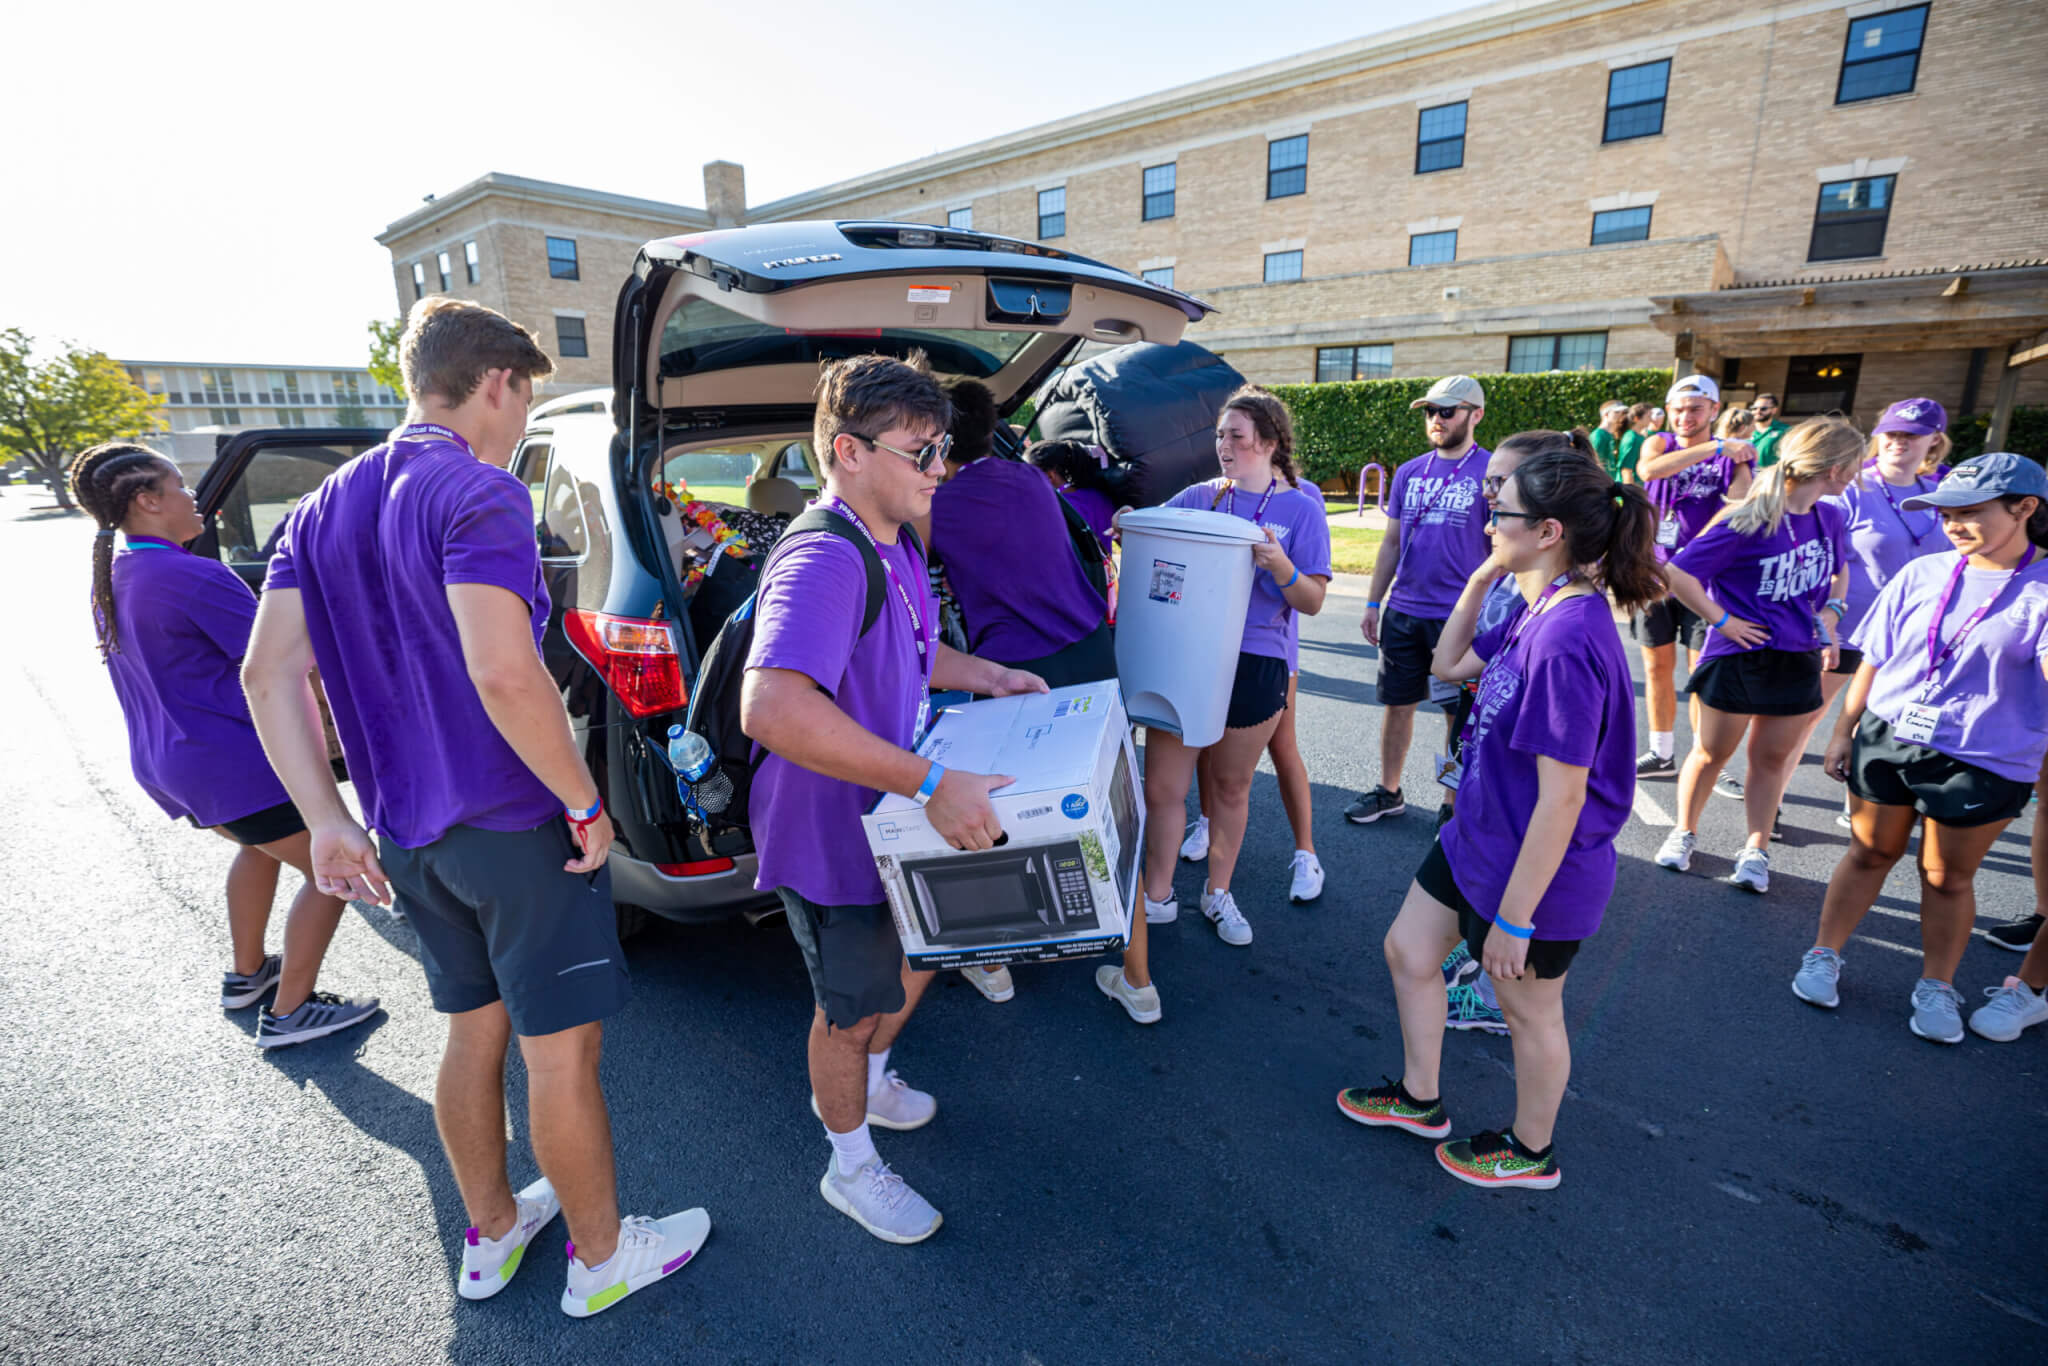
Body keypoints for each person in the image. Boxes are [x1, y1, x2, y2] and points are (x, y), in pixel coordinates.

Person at [241, 297, 707, 1316]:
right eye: (523, 397)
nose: (519, 421)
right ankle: (601, 1257)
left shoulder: (318, 510)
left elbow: (265, 673)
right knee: (562, 1049)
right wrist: (584, 801)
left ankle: (493, 1231)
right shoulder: (478, 493)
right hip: (510, 826)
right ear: (497, 381)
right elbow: (502, 671)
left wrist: (325, 818)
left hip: (408, 836)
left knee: (470, 1030)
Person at [741, 352, 1049, 1245]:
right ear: (849, 451)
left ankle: (875, 1083)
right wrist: (929, 782)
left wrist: (987, 675)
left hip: (891, 819)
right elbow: (770, 706)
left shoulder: (898, 540)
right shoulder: (825, 555)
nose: (940, 468)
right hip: (832, 833)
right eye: (921, 451)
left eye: (941, 447)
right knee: (847, 1013)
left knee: (915, 958)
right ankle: (850, 1165)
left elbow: (912, 651)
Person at [1337, 450, 1663, 1189]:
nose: (1487, 517)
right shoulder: (1532, 603)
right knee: (1408, 952)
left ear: (1547, 530)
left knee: (1528, 1011)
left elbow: (1564, 798)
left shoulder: (1569, 637)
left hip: (1537, 873)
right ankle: (1420, 1099)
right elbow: (1449, 665)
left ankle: (1530, 1150)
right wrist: (1486, 573)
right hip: (1478, 836)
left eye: (1501, 512)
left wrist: (1516, 921)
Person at [68, 443, 377, 1048]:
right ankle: (290, 1013)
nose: (195, 497)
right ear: (148, 501)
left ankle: (247, 975)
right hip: (235, 763)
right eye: (179, 486)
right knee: (337, 872)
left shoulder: (118, 576)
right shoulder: (193, 575)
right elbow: (281, 668)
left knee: (259, 849)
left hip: (176, 765)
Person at [1791, 454, 2048, 1044]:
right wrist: (1841, 730)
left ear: (2026, 508)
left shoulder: (2042, 586)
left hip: (1984, 758)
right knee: (1867, 852)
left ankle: (1937, 983)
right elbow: (1876, 658)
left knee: (1946, 877)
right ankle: (1824, 953)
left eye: (1970, 513)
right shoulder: (1923, 571)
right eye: (1946, 513)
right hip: (1889, 735)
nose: (1953, 524)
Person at [1127, 385, 1332, 948]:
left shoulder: (1302, 509)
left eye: (1235, 436)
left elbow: (1312, 601)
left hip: (1256, 663)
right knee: (1165, 787)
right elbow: (1148, 532)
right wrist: (1129, 520)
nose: (1223, 445)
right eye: (1219, 435)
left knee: (1231, 787)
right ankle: (1158, 896)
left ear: (1267, 443)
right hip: (1185, 659)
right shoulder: (1199, 497)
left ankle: (1217, 893)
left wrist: (1280, 563)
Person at [927, 381, 1112, 1005]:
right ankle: (1129, 958)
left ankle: (994, 958)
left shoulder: (938, 505)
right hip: (1091, 651)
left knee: (994, 816)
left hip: (1016, 669)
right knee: (1098, 799)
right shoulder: (1030, 477)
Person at [1655, 417, 1858, 892]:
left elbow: (1839, 572)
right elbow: (1678, 575)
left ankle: (1755, 850)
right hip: (1737, 655)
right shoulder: (1746, 518)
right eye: (1853, 464)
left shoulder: (1830, 517)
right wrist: (1722, 620)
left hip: (1797, 657)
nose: (1857, 473)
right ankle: (1684, 832)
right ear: (1833, 468)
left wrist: (1832, 613)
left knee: (1770, 760)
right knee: (1711, 754)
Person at [1772, 398, 1954, 818]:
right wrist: (1825, 622)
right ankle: (1771, 804)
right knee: (1804, 720)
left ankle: (1864, 805)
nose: (1898, 441)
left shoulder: (1939, 495)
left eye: (1911, 435)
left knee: (1879, 725)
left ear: (1934, 440)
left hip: (1913, 639)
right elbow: (1819, 558)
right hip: (1847, 631)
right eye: (1891, 432)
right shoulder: (1851, 490)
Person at [1348, 375, 1490, 826]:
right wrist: (1373, 603)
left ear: (1475, 415)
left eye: (1446, 411)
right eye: (1430, 411)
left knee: (1456, 715)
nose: (1436, 419)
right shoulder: (1410, 471)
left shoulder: (1492, 471)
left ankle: (1451, 804)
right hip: (1404, 611)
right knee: (1397, 706)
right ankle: (1389, 792)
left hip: (1460, 617)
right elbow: (1391, 542)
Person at [1630, 375, 1756, 778]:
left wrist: (1696, 554)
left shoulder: (1736, 458)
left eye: (1695, 409)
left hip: (1703, 580)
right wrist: (1717, 445)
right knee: (1655, 669)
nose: (1685, 417)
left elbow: (1739, 504)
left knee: (1702, 672)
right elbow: (1649, 470)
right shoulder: (1661, 443)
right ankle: (1661, 751)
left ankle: (1709, 761)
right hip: (1651, 575)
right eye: (1678, 409)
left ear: (1714, 410)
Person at [1024, 439, 1117, 554]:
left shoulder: (1055, 509)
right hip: (1101, 571)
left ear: (1049, 476)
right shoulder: (1099, 497)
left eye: (1028, 474)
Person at [1614, 403, 1654, 486]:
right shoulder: (1631, 438)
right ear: (1636, 419)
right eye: (1648, 416)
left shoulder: (1640, 436)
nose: (1651, 420)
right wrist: (1631, 495)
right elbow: (1626, 471)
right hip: (1630, 490)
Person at [1750, 393, 1791, 468]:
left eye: (1763, 409)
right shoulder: (1743, 429)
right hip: (1744, 476)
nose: (1758, 411)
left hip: (1769, 476)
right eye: (1754, 408)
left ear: (1774, 410)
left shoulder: (1785, 430)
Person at [1590, 401, 1629, 480]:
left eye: (1622, 412)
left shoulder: (1610, 435)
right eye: (1617, 412)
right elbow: (1593, 464)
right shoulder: (1598, 436)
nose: (1621, 415)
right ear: (1606, 414)